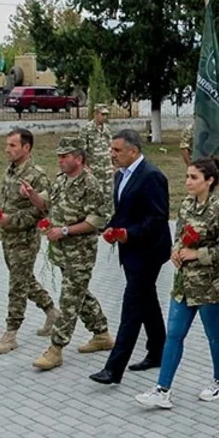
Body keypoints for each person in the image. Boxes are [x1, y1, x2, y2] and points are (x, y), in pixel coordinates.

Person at [135, 158, 219, 407]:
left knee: (215, 336)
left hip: (210, 286)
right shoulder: (186, 205)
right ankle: (162, 389)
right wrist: (176, 250)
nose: (188, 182)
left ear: (209, 181)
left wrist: (198, 254)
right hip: (184, 285)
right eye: (187, 177)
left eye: (194, 177)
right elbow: (180, 235)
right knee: (174, 335)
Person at [22, 137, 114, 370]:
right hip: (63, 252)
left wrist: (64, 230)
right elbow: (46, 203)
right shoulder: (61, 180)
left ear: (79, 158)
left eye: (65, 156)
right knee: (80, 293)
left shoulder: (90, 184)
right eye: (59, 156)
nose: (61, 160)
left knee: (70, 298)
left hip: (80, 253)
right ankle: (101, 333)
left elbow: (96, 221)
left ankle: (56, 349)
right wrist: (32, 195)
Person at [91, 129, 172, 383]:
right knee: (147, 301)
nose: (111, 154)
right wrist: (111, 227)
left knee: (132, 308)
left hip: (148, 251)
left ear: (134, 151)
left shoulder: (151, 176)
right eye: (111, 149)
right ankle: (159, 350)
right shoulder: (121, 175)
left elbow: (157, 218)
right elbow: (125, 210)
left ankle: (114, 369)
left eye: (117, 150)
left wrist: (129, 233)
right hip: (130, 250)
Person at [0, 129, 60, 354]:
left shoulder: (36, 175)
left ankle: (11, 332)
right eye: (7, 145)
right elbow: (8, 203)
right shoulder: (11, 171)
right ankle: (51, 310)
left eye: (12, 145)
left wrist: (12, 220)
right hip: (8, 236)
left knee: (17, 285)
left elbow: (42, 210)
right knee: (24, 280)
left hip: (25, 239)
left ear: (26, 148)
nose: (7, 149)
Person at [79, 104, 115, 196]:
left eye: (106, 115)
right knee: (94, 195)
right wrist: (85, 167)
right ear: (95, 114)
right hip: (94, 170)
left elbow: (111, 147)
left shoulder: (108, 129)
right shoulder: (87, 129)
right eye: (102, 114)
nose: (105, 117)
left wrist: (113, 165)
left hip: (107, 170)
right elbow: (81, 150)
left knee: (108, 196)